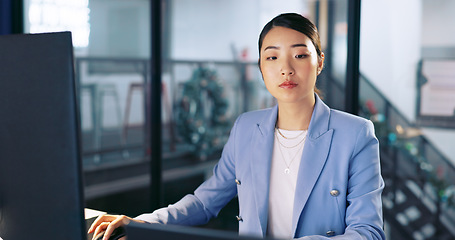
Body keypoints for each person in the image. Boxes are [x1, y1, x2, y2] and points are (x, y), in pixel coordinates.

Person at [88, 13, 385, 240]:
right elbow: (205, 202)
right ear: (260, 67)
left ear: (319, 62)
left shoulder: (356, 134)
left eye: (300, 55)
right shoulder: (246, 127)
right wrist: (145, 222)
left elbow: (367, 231)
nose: (286, 68)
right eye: (272, 56)